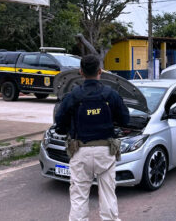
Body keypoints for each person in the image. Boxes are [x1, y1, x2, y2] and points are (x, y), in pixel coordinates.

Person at [55, 55, 129, 221]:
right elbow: (125, 120)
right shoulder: (111, 94)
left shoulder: (72, 96)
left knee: (79, 197)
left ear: (81, 72)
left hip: (80, 151)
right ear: (100, 71)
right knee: (108, 195)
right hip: (105, 152)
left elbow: (59, 123)